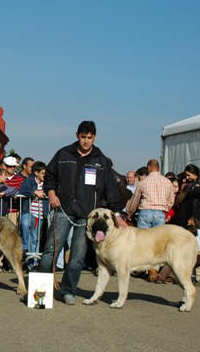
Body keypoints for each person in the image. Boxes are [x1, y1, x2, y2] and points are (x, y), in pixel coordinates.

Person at [37, 121, 126, 305]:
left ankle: (68, 289)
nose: (86, 141)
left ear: (95, 137)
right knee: (50, 251)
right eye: (83, 137)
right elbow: (50, 176)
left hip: (87, 216)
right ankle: (40, 293)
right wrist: (52, 193)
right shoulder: (64, 154)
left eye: (90, 138)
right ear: (77, 135)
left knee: (78, 255)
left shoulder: (101, 160)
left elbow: (111, 188)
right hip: (63, 209)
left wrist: (118, 214)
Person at [19, 161, 48, 270]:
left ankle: (33, 262)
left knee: (35, 238)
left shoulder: (46, 184)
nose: (45, 176)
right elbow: (22, 191)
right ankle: (25, 247)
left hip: (39, 214)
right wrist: (34, 192)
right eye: (43, 173)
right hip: (28, 211)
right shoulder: (29, 181)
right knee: (24, 224)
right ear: (36, 173)